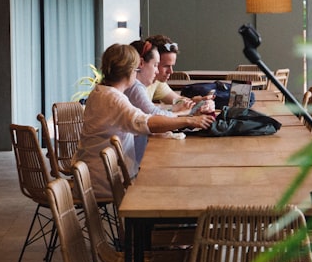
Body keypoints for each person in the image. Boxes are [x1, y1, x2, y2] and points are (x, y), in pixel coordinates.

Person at [75, 43, 214, 195]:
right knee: (171, 184)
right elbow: (146, 122)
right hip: (107, 180)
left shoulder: (101, 92)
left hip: (96, 173)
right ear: (130, 71)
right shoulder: (113, 99)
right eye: (136, 70)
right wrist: (189, 120)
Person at [126, 39, 215, 164]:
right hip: (131, 159)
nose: (171, 72)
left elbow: (178, 103)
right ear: (142, 63)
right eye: (161, 65)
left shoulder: (152, 83)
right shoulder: (135, 87)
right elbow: (153, 117)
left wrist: (200, 103)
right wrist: (186, 116)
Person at [144, 34, 194, 109]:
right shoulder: (134, 84)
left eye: (172, 66)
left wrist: (197, 102)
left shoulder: (157, 81)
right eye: (166, 66)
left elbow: (177, 100)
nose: (171, 71)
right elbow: (146, 111)